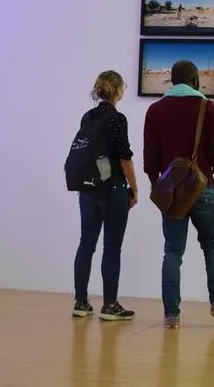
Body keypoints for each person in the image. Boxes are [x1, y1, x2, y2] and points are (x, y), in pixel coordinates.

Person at [143, 60, 214, 329]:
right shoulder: (207, 107)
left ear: (172, 80)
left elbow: (150, 157)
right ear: (195, 80)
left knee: (172, 252)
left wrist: (158, 186)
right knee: (212, 246)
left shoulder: (155, 110)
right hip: (203, 188)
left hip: (172, 194)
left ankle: (171, 315)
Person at [72, 70, 138, 321]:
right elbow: (124, 157)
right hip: (113, 189)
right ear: (118, 90)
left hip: (88, 188)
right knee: (111, 248)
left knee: (86, 243)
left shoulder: (87, 117)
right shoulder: (117, 119)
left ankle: (81, 302)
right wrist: (134, 188)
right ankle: (110, 305)